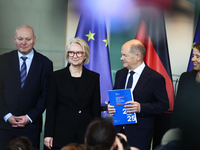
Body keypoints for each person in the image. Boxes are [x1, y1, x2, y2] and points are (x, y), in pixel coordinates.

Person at [108, 39, 169, 150]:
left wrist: (141, 107)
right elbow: (115, 95)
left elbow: (163, 105)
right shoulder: (120, 74)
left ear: (138, 56)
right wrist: (110, 105)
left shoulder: (155, 78)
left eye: (124, 55)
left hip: (139, 134)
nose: (121, 58)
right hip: (117, 132)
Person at [0, 25, 53, 149]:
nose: (23, 43)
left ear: (34, 40)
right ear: (14, 39)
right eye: (20, 39)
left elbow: (46, 95)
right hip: (5, 127)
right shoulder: (3, 61)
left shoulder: (45, 64)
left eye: (28, 39)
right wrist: (7, 116)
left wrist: (29, 117)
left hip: (31, 128)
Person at [44, 37, 101, 150]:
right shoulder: (56, 77)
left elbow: (95, 109)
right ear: (67, 54)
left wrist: (96, 134)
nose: (75, 56)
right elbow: (51, 108)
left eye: (79, 53)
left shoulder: (94, 78)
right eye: (71, 52)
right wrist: (48, 134)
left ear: (85, 55)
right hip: (61, 133)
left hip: (84, 134)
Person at [170, 43, 200, 149]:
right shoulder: (185, 77)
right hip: (182, 136)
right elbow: (178, 107)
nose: (193, 59)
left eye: (197, 56)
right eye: (193, 55)